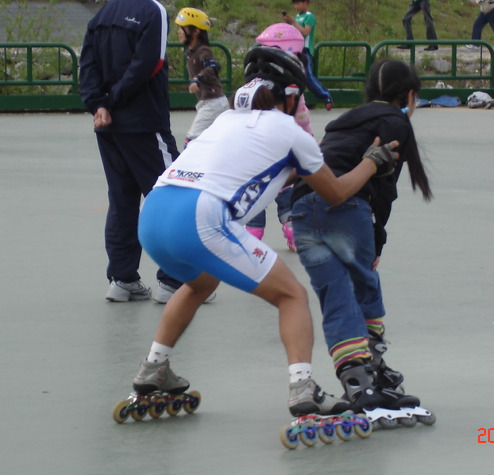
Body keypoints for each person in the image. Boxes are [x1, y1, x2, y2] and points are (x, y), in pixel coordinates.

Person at [130, 47, 401, 418]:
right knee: (292, 296)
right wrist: (372, 163)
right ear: (291, 96)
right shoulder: (289, 130)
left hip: (156, 212)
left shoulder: (225, 120)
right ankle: (303, 388)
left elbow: (266, 171)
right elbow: (336, 192)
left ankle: (153, 366)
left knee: (200, 283)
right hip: (201, 217)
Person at [290, 59, 433, 414]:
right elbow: (383, 188)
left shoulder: (345, 120)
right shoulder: (396, 121)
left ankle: (359, 383)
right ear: (410, 95)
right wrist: (376, 239)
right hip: (346, 208)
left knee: (336, 296)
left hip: (302, 211)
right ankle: (376, 373)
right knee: (365, 288)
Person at [79, 0, 184, 303]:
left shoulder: (102, 14)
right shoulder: (154, 11)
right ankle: (173, 281)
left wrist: (98, 105)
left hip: (108, 125)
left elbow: (86, 65)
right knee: (171, 196)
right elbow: (149, 63)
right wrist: (112, 100)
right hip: (143, 122)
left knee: (122, 199)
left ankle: (122, 278)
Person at [245, 22, 315, 251]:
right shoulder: (294, 93)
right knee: (287, 199)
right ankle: (293, 234)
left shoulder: (255, 89)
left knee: (255, 202)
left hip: (257, 162)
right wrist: (310, 142)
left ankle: (252, 239)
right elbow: (303, 123)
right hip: (286, 161)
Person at [175, 7, 229, 149]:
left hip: (213, 104)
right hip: (207, 102)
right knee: (217, 142)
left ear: (195, 31)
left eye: (182, 28)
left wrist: (197, 79)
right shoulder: (191, 52)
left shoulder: (203, 51)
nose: (179, 31)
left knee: (191, 142)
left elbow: (213, 66)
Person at [283, 0, 334, 109]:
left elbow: (305, 32)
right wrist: (289, 23)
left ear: (306, 2)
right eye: (295, 4)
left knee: (308, 76)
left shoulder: (310, 16)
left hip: (305, 50)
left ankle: (326, 97)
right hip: (295, 50)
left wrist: (294, 22)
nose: (296, 6)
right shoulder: (296, 17)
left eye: (298, 3)